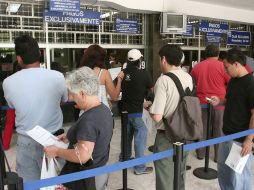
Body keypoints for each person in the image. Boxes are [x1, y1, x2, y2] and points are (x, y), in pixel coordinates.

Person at [2, 35, 68, 181]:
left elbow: (13, 106)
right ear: (39, 53)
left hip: (26, 143)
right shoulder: (57, 77)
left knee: (29, 185)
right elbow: (64, 100)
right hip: (54, 139)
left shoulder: (8, 83)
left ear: (18, 59)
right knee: (57, 184)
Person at [44, 66, 113, 190]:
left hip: (86, 178)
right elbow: (95, 136)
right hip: (100, 171)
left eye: (72, 93)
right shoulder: (104, 110)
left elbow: (82, 156)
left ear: (82, 93)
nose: (70, 98)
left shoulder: (89, 120)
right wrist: (69, 136)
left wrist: (56, 151)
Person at [148, 45, 193, 190]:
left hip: (167, 135)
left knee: (165, 177)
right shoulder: (188, 77)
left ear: (164, 60)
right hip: (184, 133)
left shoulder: (163, 80)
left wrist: (148, 107)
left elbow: (157, 117)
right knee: (180, 174)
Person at [210, 48, 254, 190]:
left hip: (240, 140)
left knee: (239, 176)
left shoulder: (251, 84)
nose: (225, 70)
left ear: (236, 64)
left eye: (226, 67)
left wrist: (249, 140)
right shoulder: (233, 81)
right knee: (224, 171)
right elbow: (229, 100)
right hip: (226, 134)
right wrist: (219, 101)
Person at [191, 44, 230, 162]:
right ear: (218, 54)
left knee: (202, 130)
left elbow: (193, 84)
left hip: (201, 104)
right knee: (218, 130)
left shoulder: (196, 67)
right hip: (219, 104)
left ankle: (200, 154)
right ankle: (218, 156)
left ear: (206, 53)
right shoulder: (223, 66)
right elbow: (230, 83)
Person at [120, 49, 153, 175]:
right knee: (140, 137)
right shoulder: (144, 74)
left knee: (126, 136)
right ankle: (139, 167)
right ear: (139, 60)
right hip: (138, 112)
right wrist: (148, 100)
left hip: (124, 112)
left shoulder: (122, 73)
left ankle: (125, 158)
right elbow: (152, 89)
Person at [80, 45, 123, 110]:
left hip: (85, 113)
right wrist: (119, 79)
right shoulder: (104, 73)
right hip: (102, 113)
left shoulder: (80, 73)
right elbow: (114, 97)